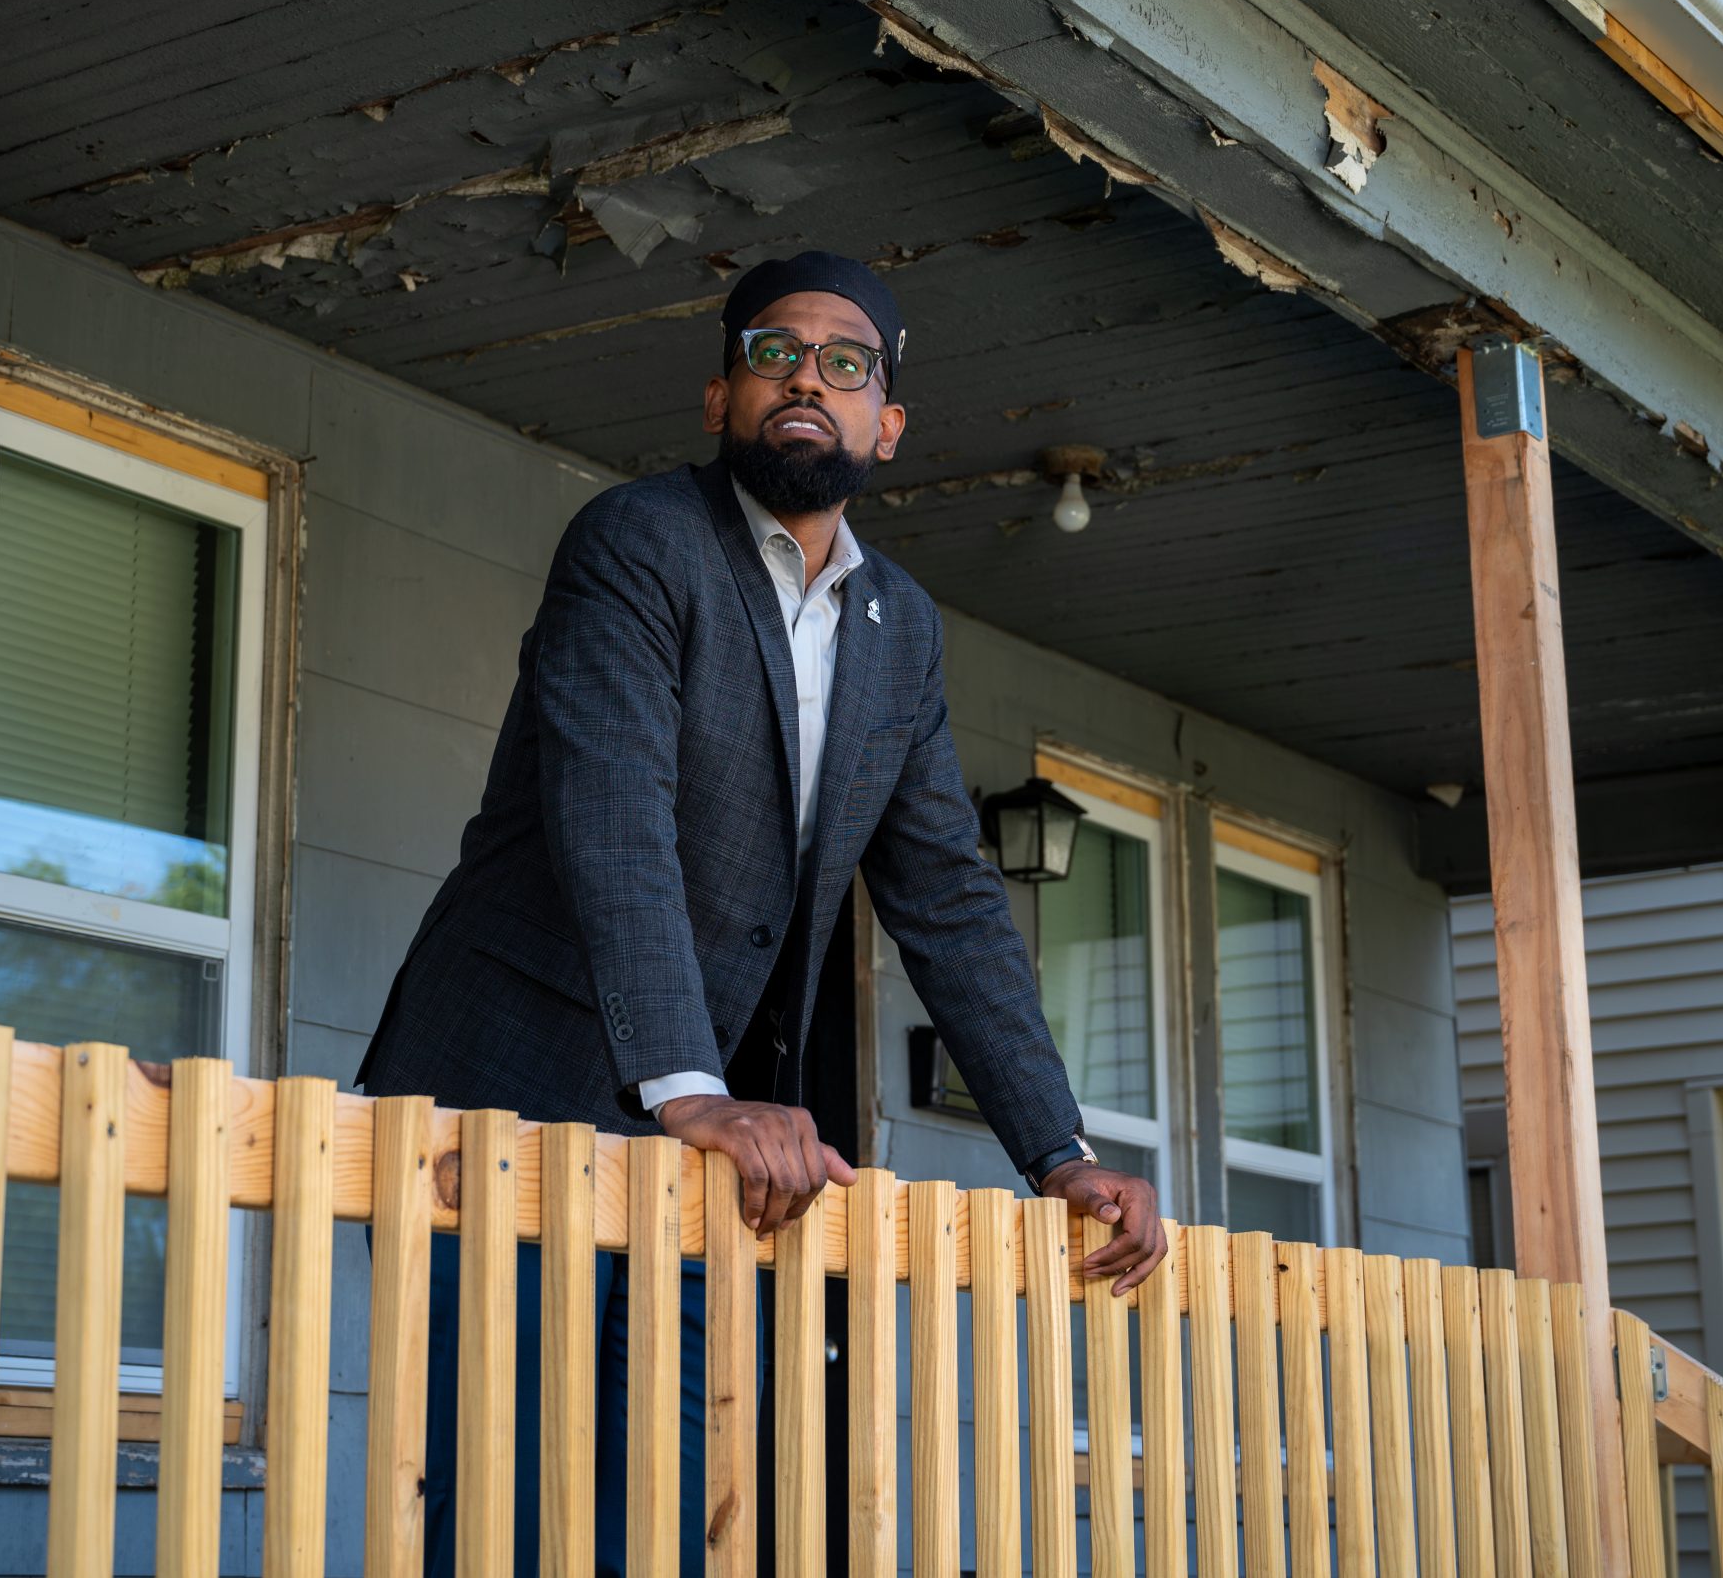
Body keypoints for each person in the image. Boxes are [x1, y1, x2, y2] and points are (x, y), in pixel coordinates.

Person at [357, 250, 1169, 1576]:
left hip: (694, 1155)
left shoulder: (899, 627)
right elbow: (614, 810)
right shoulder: (636, 544)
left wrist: (1059, 1150)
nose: (808, 378)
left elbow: (951, 899)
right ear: (720, 396)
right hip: (506, 1095)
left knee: (665, 1516)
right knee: (500, 1514)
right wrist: (694, 1087)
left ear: (886, 426)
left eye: (847, 363)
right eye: (773, 353)